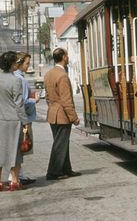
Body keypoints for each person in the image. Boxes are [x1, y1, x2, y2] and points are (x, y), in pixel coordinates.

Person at [0, 51, 30, 192]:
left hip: (2, 118)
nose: (16, 64)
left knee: (0, 150)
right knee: (15, 151)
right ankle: (14, 180)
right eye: (15, 62)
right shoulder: (16, 81)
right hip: (15, 120)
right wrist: (25, 122)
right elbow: (19, 104)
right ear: (12, 64)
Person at [44, 47, 81, 181]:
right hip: (62, 115)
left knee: (60, 142)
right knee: (60, 144)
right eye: (67, 55)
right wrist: (74, 117)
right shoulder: (62, 76)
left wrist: (53, 108)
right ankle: (53, 172)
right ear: (64, 57)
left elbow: (48, 97)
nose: (68, 57)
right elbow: (66, 100)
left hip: (52, 113)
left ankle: (66, 169)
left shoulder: (49, 74)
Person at [9, 52, 39, 186]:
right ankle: (17, 176)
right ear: (19, 64)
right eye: (27, 63)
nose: (28, 66)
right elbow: (23, 102)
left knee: (17, 147)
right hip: (23, 117)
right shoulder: (20, 79)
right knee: (22, 146)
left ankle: (17, 174)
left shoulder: (13, 77)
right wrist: (35, 100)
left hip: (14, 117)